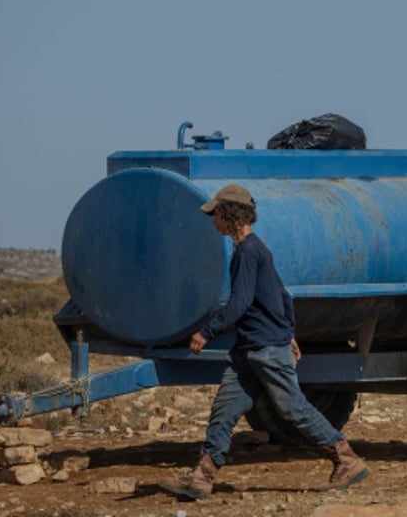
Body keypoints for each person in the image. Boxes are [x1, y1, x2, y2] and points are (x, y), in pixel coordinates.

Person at [158, 183, 370, 499]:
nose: (213, 221)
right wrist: (291, 332)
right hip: (248, 350)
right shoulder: (256, 249)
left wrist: (207, 332)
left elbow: (240, 302)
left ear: (230, 214)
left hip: (267, 350)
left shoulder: (248, 252)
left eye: (216, 214)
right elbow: (282, 295)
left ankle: (346, 459)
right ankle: (202, 477)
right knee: (225, 410)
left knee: (294, 410)